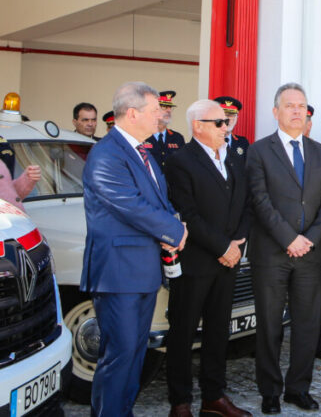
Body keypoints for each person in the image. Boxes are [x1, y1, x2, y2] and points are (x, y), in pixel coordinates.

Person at [81, 82, 188, 417]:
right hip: (118, 274)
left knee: (135, 356)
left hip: (141, 273)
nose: (162, 117)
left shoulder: (142, 152)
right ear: (132, 113)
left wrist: (175, 221)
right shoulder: (107, 154)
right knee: (120, 356)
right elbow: (130, 205)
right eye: (156, 110)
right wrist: (174, 230)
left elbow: (158, 200)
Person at [247, 83, 321, 414]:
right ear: (276, 112)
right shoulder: (258, 152)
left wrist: (309, 238)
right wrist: (289, 238)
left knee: (307, 325)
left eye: (302, 106)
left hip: (309, 254)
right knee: (269, 326)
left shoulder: (318, 152)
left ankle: (298, 388)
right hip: (271, 253)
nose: (297, 111)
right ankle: (270, 391)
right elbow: (259, 200)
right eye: (290, 106)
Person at [164, 99, 252, 417]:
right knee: (183, 332)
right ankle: (181, 401)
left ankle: (213, 397)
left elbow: (245, 202)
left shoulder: (232, 158)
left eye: (226, 122)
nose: (225, 127)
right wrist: (223, 247)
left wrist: (237, 243)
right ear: (197, 125)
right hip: (196, 263)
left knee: (218, 331)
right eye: (219, 123)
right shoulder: (180, 161)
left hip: (228, 261)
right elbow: (188, 214)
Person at [145, 90, 186, 170]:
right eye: (164, 107)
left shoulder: (177, 138)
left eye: (170, 107)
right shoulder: (142, 136)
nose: (169, 110)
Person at [214, 96, 250, 161]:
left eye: (232, 115)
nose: (229, 119)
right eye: (225, 115)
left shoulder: (243, 143)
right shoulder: (207, 141)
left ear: (237, 118)